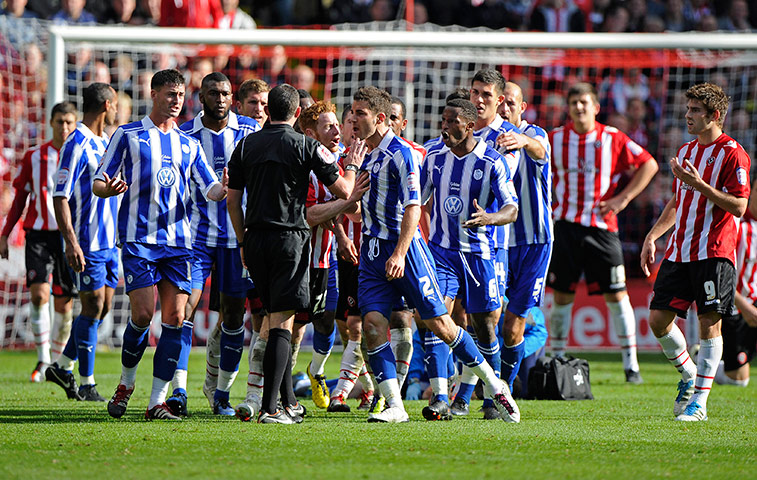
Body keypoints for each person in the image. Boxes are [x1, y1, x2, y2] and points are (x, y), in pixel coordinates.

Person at [352, 85, 518, 423]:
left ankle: (496, 389)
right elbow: (359, 206)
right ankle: (399, 405)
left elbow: (413, 205)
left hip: (422, 250)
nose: (352, 119)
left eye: (359, 114)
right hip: (383, 250)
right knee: (372, 325)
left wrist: (400, 252)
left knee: (446, 323)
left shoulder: (404, 155)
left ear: (380, 118)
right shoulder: (367, 154)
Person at [226, 83, 364, 424]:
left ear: (268, 110)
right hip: (289, 241)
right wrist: (353, 166)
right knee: (282, 325)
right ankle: (272, 409)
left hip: (254, 240)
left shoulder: (245, 145)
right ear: (297, 114)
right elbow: (345, 191)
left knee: (272, 320)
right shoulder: (306, 146)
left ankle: (287, 401)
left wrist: (243, 242)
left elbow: (232, 199)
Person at [96, 69, 228, 421]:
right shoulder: (128, 135)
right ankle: (125, 383)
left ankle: (157, 401)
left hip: (180, 243)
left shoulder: (188, 143)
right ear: (153, 93)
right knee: (141, 314)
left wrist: (227, 186)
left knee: (175, 318)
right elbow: (99, 181)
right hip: (140, 240)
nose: (176, 101)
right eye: (170, 94)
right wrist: (107, 189)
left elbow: (210, 188)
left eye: (181, 95)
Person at [641, 82, 751, 421]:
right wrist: (653, 235)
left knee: (709, 324)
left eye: (695, 111)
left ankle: (699, 404)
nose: (687, 116)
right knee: (658, 321)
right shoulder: (687, 150)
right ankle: (690, 374)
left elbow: (740, 207)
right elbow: (679, 199)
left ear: (714, 115)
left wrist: (702, 185)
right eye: (687, 110)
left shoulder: (734, 153)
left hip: (714, 252)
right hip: (679, 251)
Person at [162, 72, 261, 417]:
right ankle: (178, 391)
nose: (219, 99)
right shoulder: (184, 133)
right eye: (212, 93)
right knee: (182, 310)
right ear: (200, 97)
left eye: (224, 93)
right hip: (195, 238)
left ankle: (221, 395)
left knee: (234, 316)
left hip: (238, 239)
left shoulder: (250, 132)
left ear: (232, 98)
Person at [549, 82, 658, 383]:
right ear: (569, 109)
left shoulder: (612, 138)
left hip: (602, 229)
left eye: (584, 102)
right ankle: (557, 358)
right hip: (566, 227)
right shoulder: (555, 139)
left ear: (596, 107)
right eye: (574, 103)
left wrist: (623, 198)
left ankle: (631, 365)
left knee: (618, 295)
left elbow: (649, 164)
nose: (579, 107)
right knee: (561, 295)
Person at [419, 98, 519, 421]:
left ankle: (491, 397)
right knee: (436, 316)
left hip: (479, 255)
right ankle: (440, 398)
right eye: (443, 121)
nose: (444, 128)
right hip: (441, 251)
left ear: (470, 126)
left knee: (486, 327)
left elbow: (511, 208)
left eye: (452, 122)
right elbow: (416, 199)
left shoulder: (492, 162)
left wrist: (490, 218)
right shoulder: (433, 156)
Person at [443, 69, 520, 417]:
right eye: (475, 92)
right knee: (453, 316)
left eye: (485, 94)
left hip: (493, 244)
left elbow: (535, 152)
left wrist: (528, 142)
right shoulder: (447, 141)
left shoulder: (507, 137)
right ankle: (457, 395)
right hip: (449, 245)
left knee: (486, 319)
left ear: (499, 99)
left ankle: (491, 394)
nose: (479, 98)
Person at [292, 101, 368, 412]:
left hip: (326, 260)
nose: (338, 130)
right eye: (329, 126)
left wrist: (344, 207)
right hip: (297, 258)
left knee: (326, 324)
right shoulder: (303, 166)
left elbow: (357, 211)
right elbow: (309, 215)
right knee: (294, 326)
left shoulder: (340, 163)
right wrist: (342, 217)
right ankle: (282, 389)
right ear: (311, 134)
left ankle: (318, 371)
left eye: (338, 124)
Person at [48, 83, 120, 402]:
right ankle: (87, 382)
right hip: (86, 241)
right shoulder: (75, 142)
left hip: (109, 242)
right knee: (91, 306)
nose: (117, 109)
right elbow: (60, 196)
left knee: (101, 307)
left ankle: (62, 366)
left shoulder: (105, 142)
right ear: (106, 105)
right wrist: (70, 242)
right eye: (115, 104)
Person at [0, 102, 77, 385]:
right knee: (38, 296)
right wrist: (5, 233)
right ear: (51, 123)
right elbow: (20, 200)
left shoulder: (81, 153)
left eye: (70, 122)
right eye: (60, 121)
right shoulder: (34, 156)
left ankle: (56, 362)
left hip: (68, 236)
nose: (65, 127)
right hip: (38, 235)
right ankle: (44, 359)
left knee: (64, 306)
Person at [491, 81, 553, 404]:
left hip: (534, 242)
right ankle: (474, 388)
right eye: (501, 103)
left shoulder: (535, 134)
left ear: (522, 107)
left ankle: (503, 390)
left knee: (515, 323)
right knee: (487, 315)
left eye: (510, 104)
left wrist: (522, 140)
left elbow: (540, 149)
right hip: (499, 242)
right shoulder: (488, 139)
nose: (504, 109)